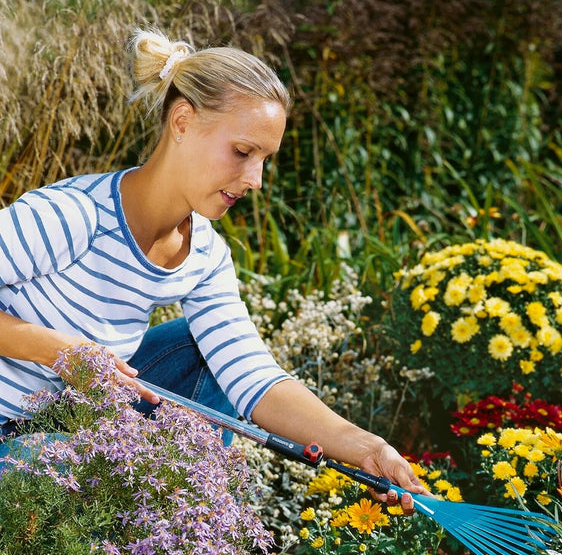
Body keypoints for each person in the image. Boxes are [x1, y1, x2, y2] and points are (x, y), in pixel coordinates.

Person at [0, 27, 425, 510]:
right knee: (77, 496)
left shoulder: (204, 255)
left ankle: (173, 525)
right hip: (12, 436)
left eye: (265, 159)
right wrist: (59, 349)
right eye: (242, 152)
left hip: (72, 428)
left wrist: (367, 448)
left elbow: (250, 375)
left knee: (204, 350)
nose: (255, 180)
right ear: (182, 121)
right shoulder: (72, 216)